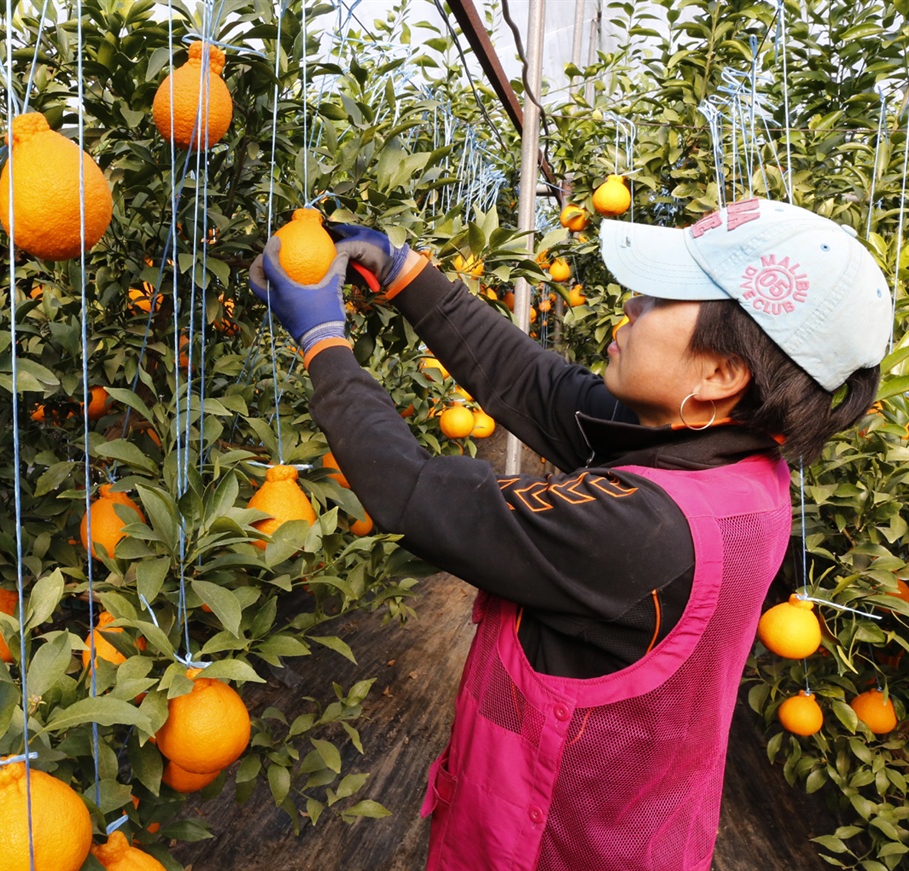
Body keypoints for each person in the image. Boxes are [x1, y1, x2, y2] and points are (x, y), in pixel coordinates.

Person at [249, 197, 892, 871]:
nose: (632, 304)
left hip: (553, 846)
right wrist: (406, 272)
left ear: (720, 373)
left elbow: (413, 494)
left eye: (662, 298)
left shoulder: (648, 529)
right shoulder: (737, 457)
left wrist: (323, 340)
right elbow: (538, 386)